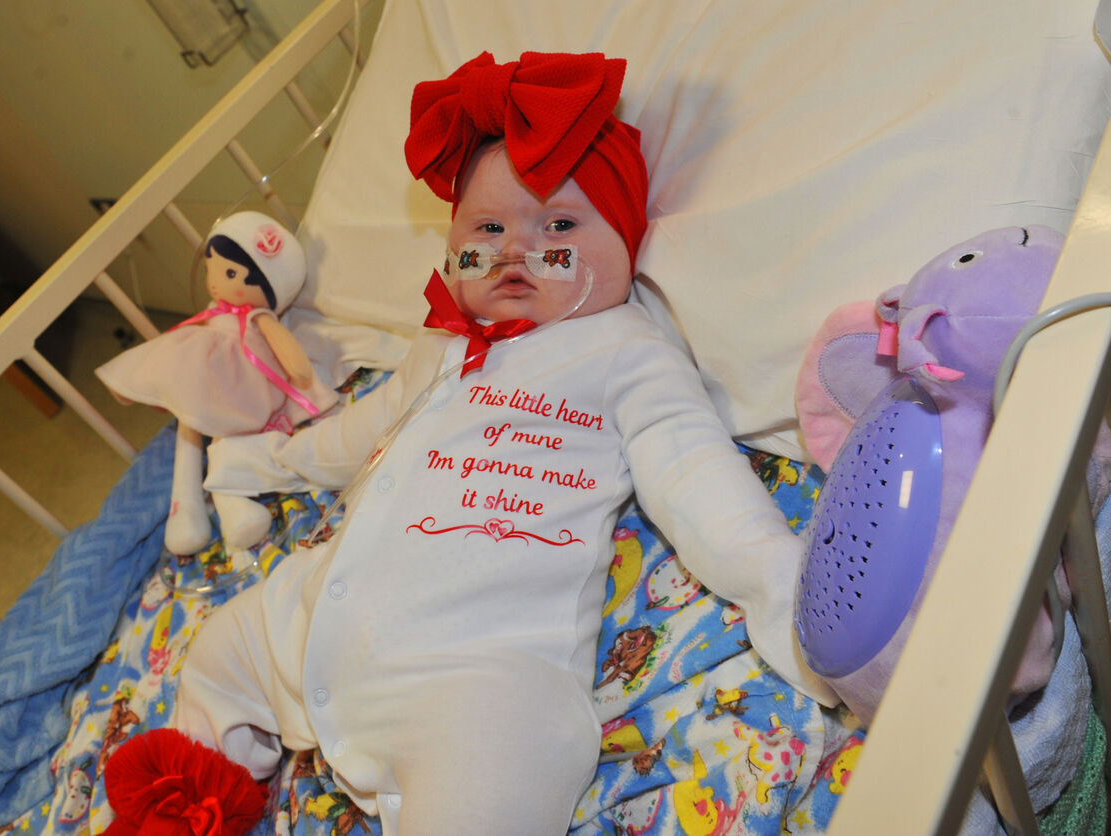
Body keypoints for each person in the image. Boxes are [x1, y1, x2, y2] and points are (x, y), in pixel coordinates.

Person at [105, 51, 836, 836]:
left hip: (476, 673)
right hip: (312, 621)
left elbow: (693, 475)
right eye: (487, 229)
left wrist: (782, 587)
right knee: (222, 647)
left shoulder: (626, 349)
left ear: (625, 244)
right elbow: (367, 428)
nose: (518, 251)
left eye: (560, 228)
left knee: (500, 762)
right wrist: (272, 460)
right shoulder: (444, 339)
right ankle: (185, 814)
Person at [95, 212, 337, 555]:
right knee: (189, 414)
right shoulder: (213, 313)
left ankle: (231, 505)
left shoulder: (258, 317)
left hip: (242, 386)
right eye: (211, 269)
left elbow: (295, 363)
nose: (214, 283)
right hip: (202, 376)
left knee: (222, 435)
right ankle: (185, 505)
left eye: (229, 274)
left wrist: (300, 372)